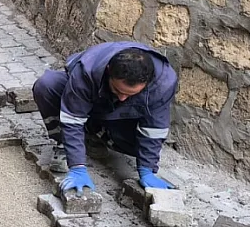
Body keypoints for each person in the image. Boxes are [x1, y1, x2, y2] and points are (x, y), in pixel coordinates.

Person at [32, 42, 178, 194]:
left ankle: (97, 136)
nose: (122, 97)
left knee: (139, 145)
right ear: (109, 71)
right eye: (118, 90)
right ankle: (66, 143)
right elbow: (72, 119)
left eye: (130, 94)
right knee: (47, 85)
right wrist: (77, 167)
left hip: (122, 118)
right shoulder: (87, 70)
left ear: (147, 83)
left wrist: (148, 170)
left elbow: (154, 128)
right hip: (94, 105)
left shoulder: (163, 84)